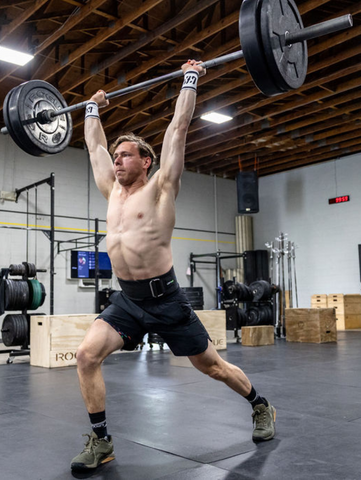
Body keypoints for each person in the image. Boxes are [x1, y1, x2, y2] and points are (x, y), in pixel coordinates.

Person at [71, 60, 276, 473]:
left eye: (125, 155)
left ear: (146, 161)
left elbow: (177, 130)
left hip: (166, 299)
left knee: (212, 367)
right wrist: (91, 109)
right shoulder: (112, 192)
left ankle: (261, 406)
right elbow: (94, 147)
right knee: (86, 356)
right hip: (127, 301)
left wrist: (190, 80)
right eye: (116, 156)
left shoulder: (162, 189)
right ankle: (102, 441)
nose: (116, 162)